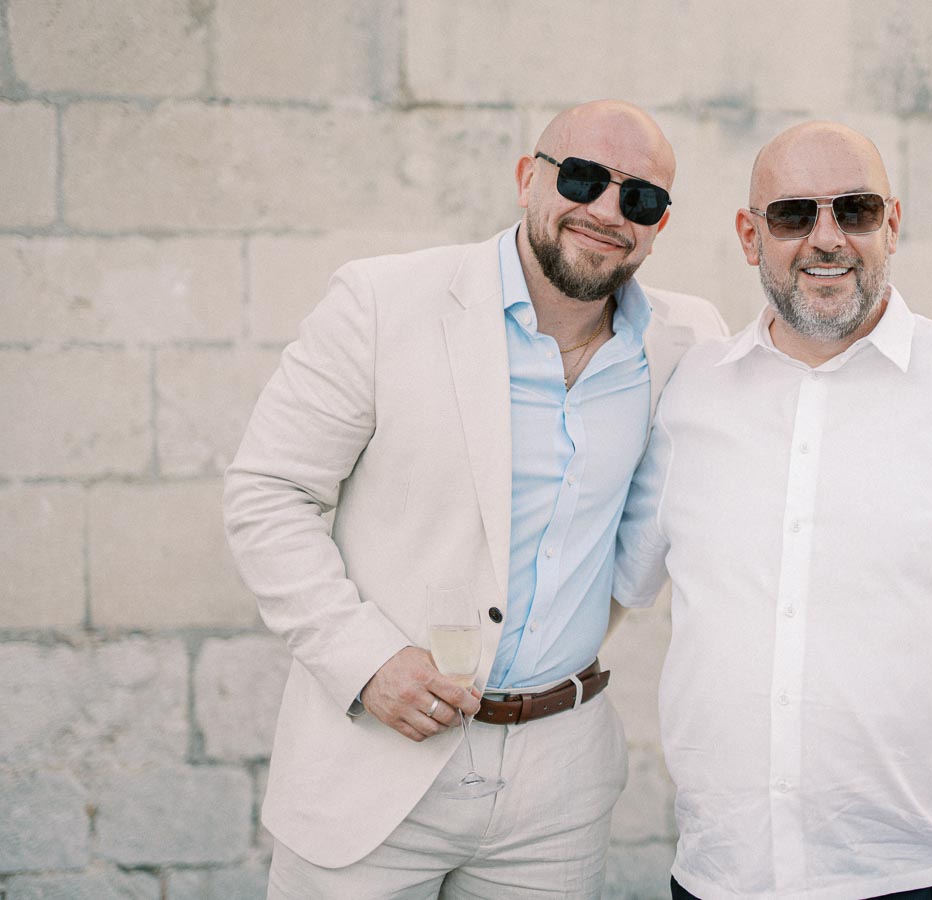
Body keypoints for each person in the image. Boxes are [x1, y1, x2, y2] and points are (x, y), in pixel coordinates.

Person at [224, 99, 726, 898]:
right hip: (377, 761)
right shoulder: (380, 303)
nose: (606, 212)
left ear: (660, 223)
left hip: (558, 785)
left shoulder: (687, 341)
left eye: (640, 198)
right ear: (530, 178)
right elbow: (268, 495)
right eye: (585, 179)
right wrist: (365, 661)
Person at [614, 121, 932, 900]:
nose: (826, 239)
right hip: (726, 875)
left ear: (892, 226)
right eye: (792, 216)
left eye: (855, 211)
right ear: (750, 236)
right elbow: (616, 578)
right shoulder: (692, 393)